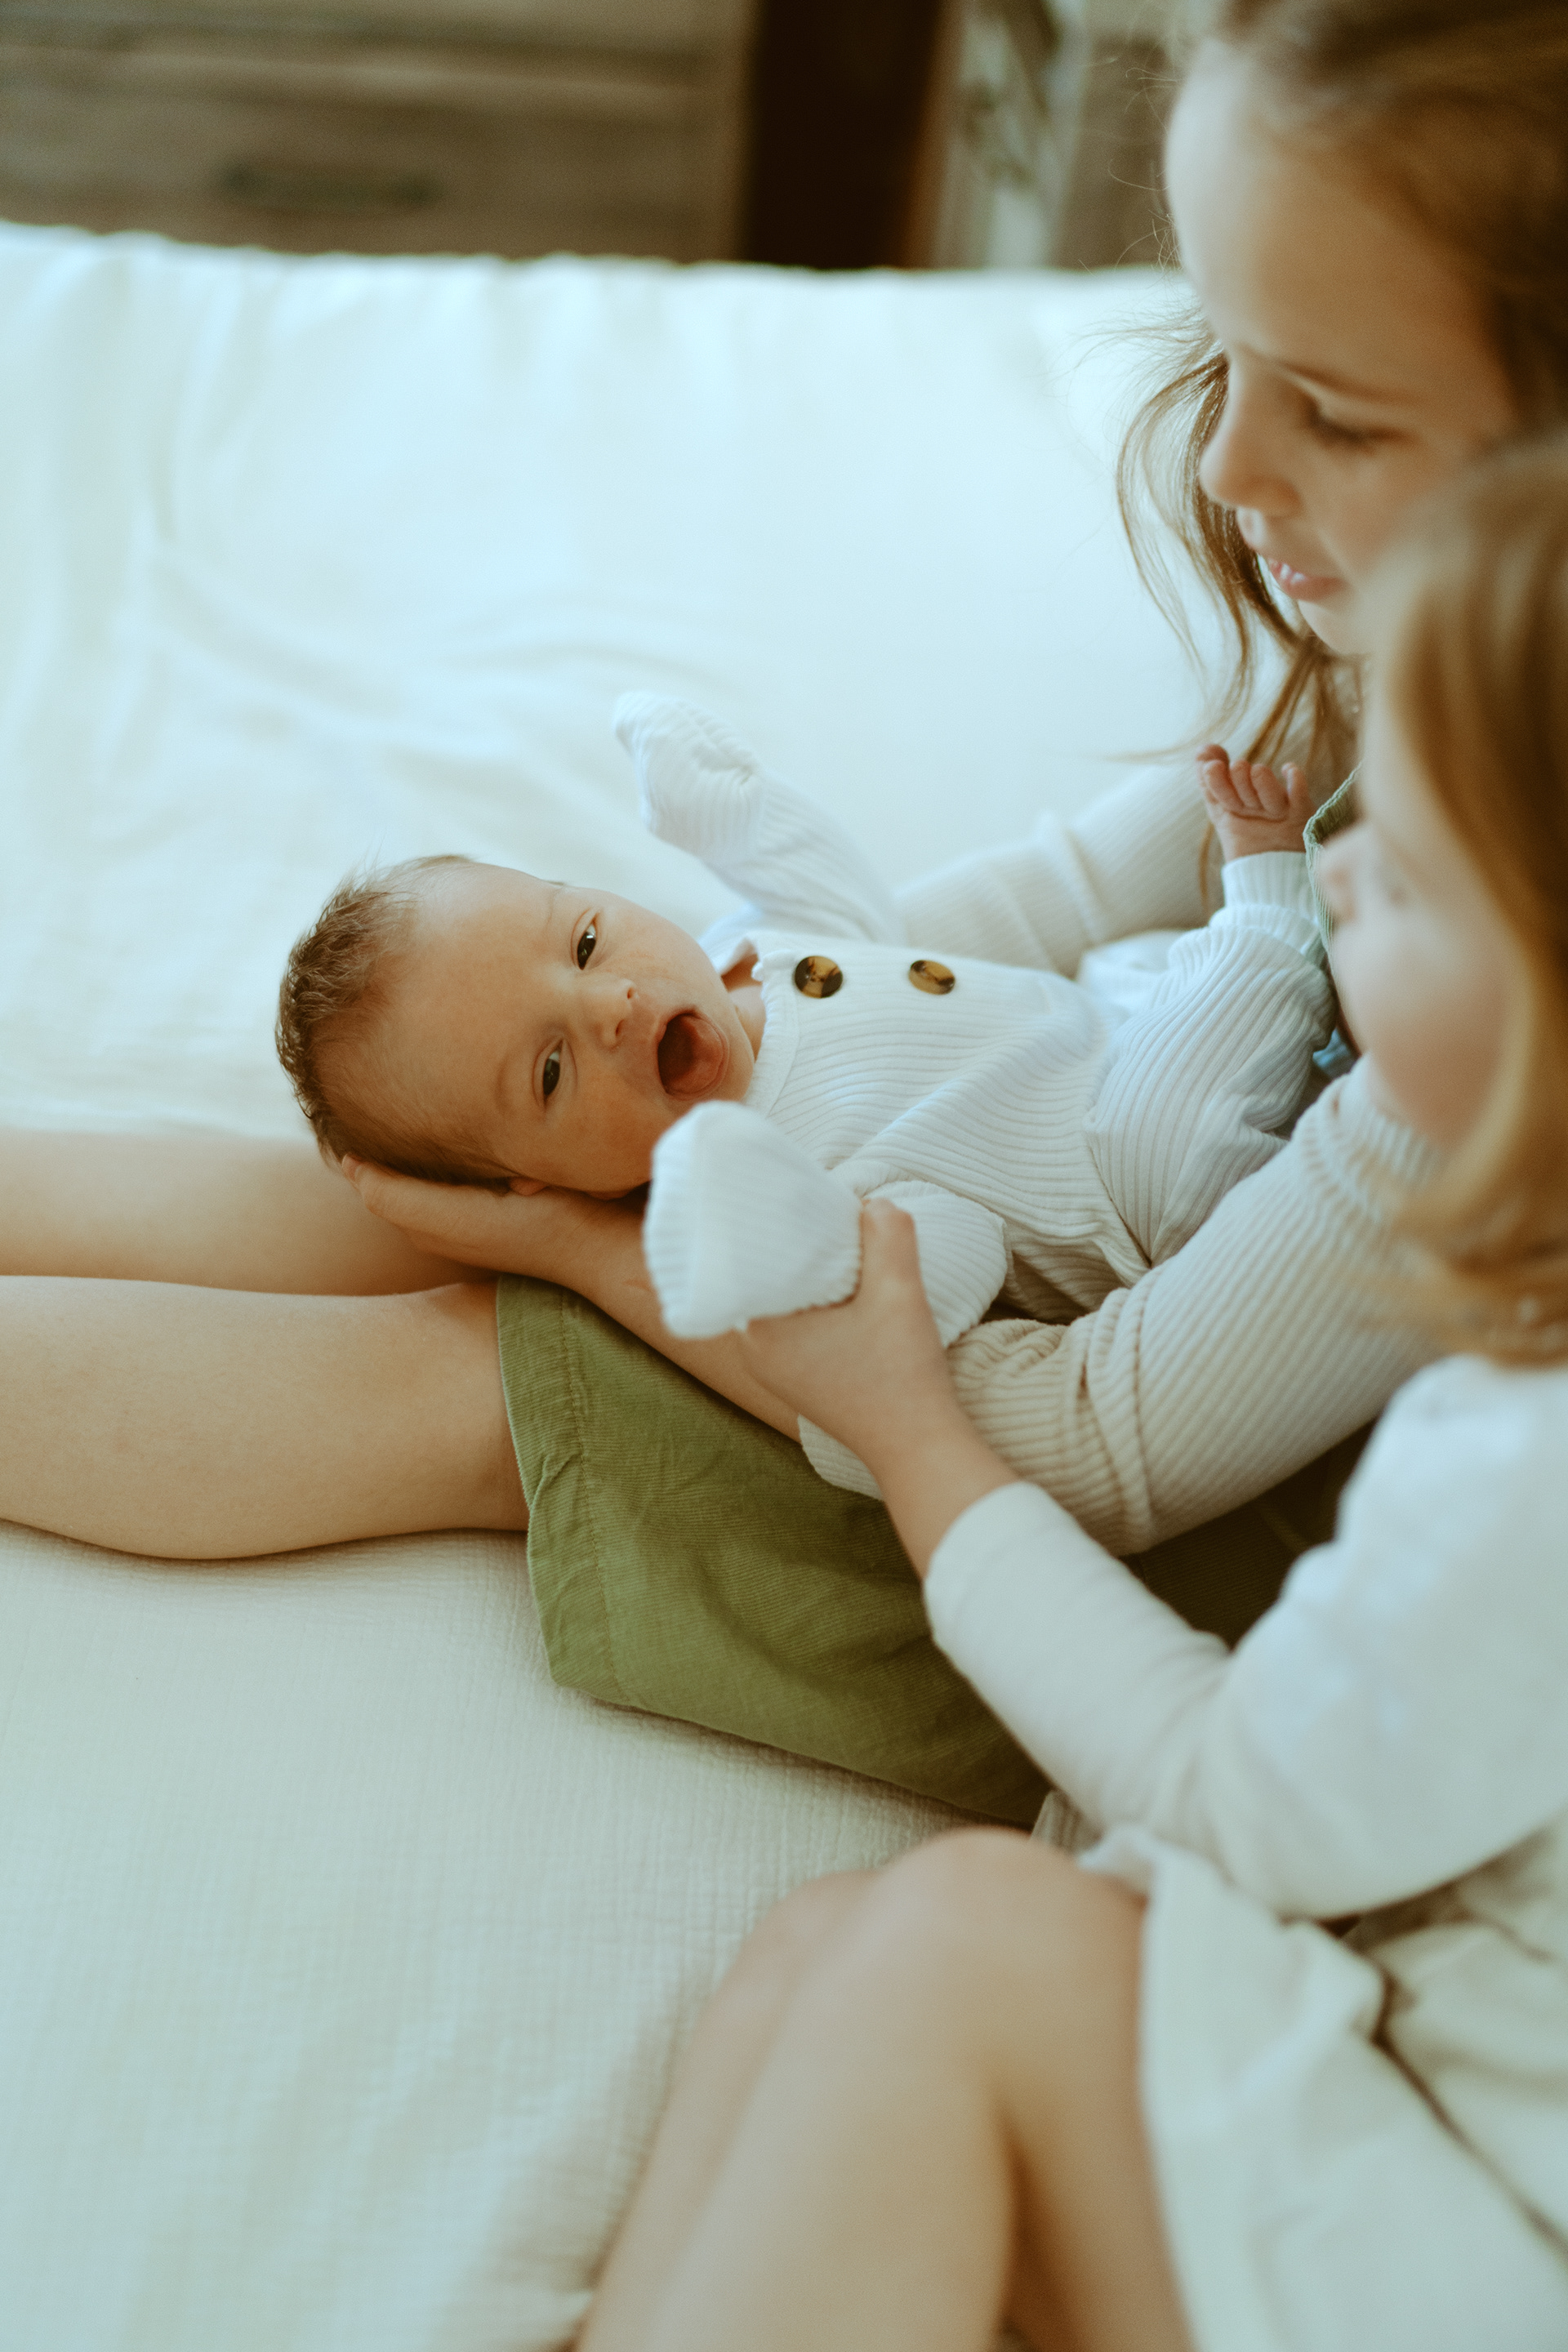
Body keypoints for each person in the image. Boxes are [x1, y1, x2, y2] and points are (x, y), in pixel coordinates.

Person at [0, 0, 1561, 1818]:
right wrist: (806, 1014)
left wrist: (593, 1254)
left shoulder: (1482, 1053)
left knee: (472, 1369)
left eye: (1339, 411)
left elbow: (1109, 1443)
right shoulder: (1426, 649)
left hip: (1103, 1495)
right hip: (1061, 1252)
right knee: (432, 1165)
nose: (1222, 466)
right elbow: (1071, 888)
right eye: (1223, 345)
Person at [572, 431, 1568, 2352]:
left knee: (959, 1945)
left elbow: (1220, 1793)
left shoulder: (1524, 1455)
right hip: (1441, 2078)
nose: (1335, 870)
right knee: (815, 1954)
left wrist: (915, 1429)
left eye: (1415, 868)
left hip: (1494, 2217)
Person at [274, 688, 1327, 1499]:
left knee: (1140, 961)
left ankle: (1267, 970)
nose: (608, 1006)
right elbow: (922, 1288)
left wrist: (737, 817)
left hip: (1109, 1030)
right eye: (550, 1072)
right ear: (532, 1184)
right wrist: (812, 1269)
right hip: (1133, 1192)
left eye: (585, 938)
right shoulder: (753, 1197)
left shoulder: (739, 953)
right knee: (1164, 1120)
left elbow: (851, 916)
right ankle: (1271, 909)